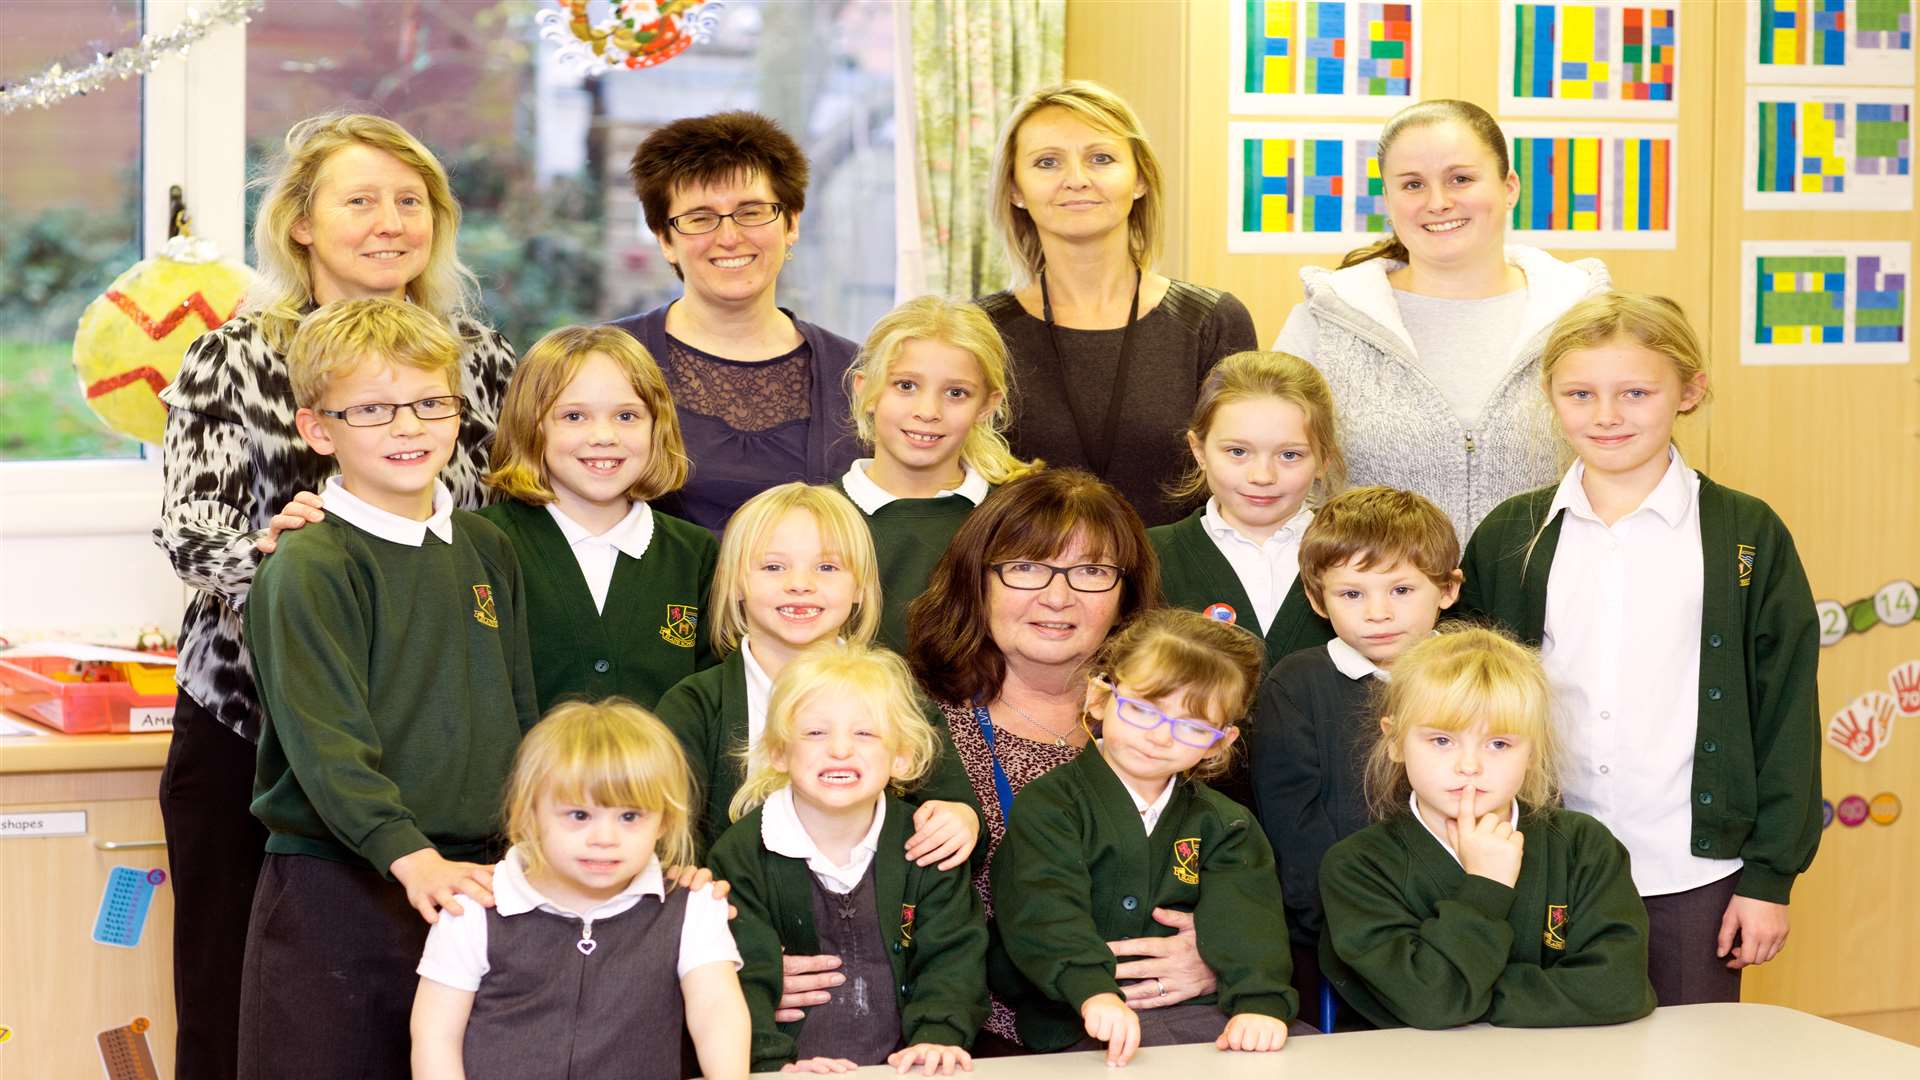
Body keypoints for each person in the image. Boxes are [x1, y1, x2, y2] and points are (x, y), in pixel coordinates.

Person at [153, 112, 516, 1080]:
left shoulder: (477, 358)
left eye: (411, 202)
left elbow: (489, 525)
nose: (389, 222)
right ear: (303, 222)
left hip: (427, 736)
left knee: (431, 1013)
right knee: (245, 1005)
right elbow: (190, 530)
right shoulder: (234, 355)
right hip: (254, 730)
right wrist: (271, 558)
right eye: (360, 200)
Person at [1460, 292, 1821, 1006]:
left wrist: (1768, 879)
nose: (1606, 414)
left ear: (1689, 391)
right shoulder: (1512, 534)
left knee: (1690, 1055)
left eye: (1635, 392)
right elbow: (1464, 700)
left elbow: (1785, 711)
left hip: (1691, 872)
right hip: (1537, 863)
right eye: (1580, 393)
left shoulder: (1745, 534)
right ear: (1551, 398)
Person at [237, 299, 539, 1079]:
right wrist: (413, 860)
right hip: (341, 892)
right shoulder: (308, 567)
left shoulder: (484, 546)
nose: (408, 428)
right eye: (372, 409)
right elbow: (325, 749)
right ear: (318, 430)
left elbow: (520, 710)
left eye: (430, 403)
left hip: (474, 885)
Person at [906, 469, 1215, 1052]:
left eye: (1091, 572)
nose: (1056, 596)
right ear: (979, 580)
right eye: (1026, 567)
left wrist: (1218, 951)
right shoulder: (909, 726)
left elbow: (1237, 868)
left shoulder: (1178, 720)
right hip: (994, 1041)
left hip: (1177, 1020)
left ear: (1127, 592)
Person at [1272, 99, 1611, 543]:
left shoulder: (1585, 317)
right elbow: (1274, 478)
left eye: (1461, 179)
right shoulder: (1326, 321)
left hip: (1551, 603)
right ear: (1388, 200)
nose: (1438, 202)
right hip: (1371, 607)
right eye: (1412, 185)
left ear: (1509, 186)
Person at [991, 609, 1301, 1064]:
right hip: (1074, 1019)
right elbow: (1043, 909)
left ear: (1219, 741)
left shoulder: (1226, 824)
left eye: (1192, 727)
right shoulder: (1052, 806)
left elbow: (1248, 920)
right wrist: (1093, 992)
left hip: (1202, 1015)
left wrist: (1259, 1002)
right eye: (1142, 709)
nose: (1159, 737)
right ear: (1100, 698)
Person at [1319, 627, 1656, 1029]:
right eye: (1442, 740)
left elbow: (1619, 988)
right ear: (1394, 741)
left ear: (1534, 749)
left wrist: (1469, 994)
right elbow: (1433, 1004)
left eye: (1499, 744)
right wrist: (1486, 887)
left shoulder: (1584, 846)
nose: (1470, 765)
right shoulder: (1357, 867)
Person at [410, 700, 749, 1080]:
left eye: (630, 816)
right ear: (529, 814)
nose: (604, 838)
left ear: (665, 822)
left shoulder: (693, 906)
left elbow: (717, 1013)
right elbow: (435, 1036)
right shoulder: (473, 909)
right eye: (579, 815)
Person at [977, 81, 1257, 526]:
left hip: (1178, 590)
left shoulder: (1212, 321)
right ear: (1015, 189)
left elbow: (1249, 480)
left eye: (1101, 158)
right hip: (1030, 589)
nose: (1076, 179)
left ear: (1141, 177)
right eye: (1047, 162)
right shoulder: (979, 331)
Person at [654, 482, 980, 861]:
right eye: (774, 566)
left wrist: (961, 818)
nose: (800, 585)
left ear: (859, 586)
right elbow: (665, 836)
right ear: (736, 582)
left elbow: (950, 801)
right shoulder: (693, 705)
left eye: (827, 567)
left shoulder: (895, 694)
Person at [712, 642, 990, 1075]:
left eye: (864, 734)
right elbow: (735, 974)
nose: (840, 750)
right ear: (779, 752)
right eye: (816, 733)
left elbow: (953, 957)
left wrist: (938, 1036)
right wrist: (767, 1062)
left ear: (901, 756)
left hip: (904, 1067)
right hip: (786, 1071)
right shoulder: (742, 855)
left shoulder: (926, 845)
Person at [1246, 485, 1461, 1025]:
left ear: (1448, 589)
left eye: (1402, 589)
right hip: (1344, 935)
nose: (1379, 613)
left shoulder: (1475, 677)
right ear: (1318, 601)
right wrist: (1356, 926)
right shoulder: (1296, 685)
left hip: (1462, 919)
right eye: (1352, 594)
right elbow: (1293, 828)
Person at [612, 111, 859, 534]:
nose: (728, 237)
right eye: (700, 218)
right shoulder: (605, 361)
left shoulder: (858, 374)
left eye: (751, 212)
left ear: (792, 223)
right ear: (665, 240)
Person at [479, 324, 718, 712]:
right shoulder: (484, 544)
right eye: (574, 417)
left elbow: (710, 705)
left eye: (627, 416)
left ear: (657, 426)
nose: (604, 436)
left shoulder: (694, 555)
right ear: (531, 426)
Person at [839, 295, 1042, 652]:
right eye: (905, 386)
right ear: (865, 390)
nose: (928, 411)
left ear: (987, 405)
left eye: (956, 393)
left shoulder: (1019, 518)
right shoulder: (817, 518)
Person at [1150, 350, 1346, 667]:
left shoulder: (1362, 556)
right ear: (1198, 451)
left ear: (1324, 459)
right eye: (1238, 451)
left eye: (1290, 455)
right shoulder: (1148, 556)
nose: (1262, 476)